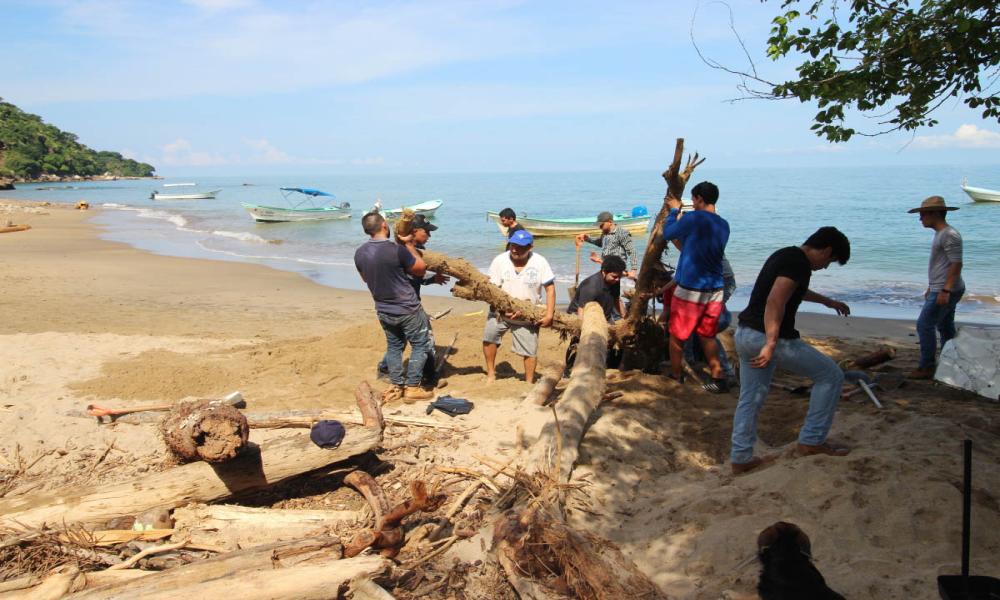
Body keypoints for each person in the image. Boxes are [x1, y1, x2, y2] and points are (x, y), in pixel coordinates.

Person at [729, 226, 852, 475]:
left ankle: (741, 457)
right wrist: (772, 342)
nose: (826, 267)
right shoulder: (798, 263)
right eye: (830, 261)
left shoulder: (785, 255)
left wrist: (827, 301)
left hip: (744, 334)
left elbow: (793, 290)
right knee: (830, 375)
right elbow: (776, 300)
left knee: (750, 398)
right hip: (765, 336)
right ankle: (812, 441)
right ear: (827, 250)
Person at [354, 211, 434, 403]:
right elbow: (421, 268)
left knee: (394, 346)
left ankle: (396, 385)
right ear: (383, 225)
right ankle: (413, 387)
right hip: (407, 308)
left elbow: (366, 279)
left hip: (383, 308)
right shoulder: (396, 250)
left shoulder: (360, 252)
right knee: (420, 345)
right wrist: (407, 243)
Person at [660, 181, 731, 393]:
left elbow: (667, 232)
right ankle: (718, 379)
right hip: (715, 289)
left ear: (699, 198)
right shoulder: (724, 225)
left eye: (693, 199)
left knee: (677, 335)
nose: (692, 203)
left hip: (692, 288)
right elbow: (694, 245)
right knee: (707, 334)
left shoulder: (693, 218)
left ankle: (677, 377)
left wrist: (674, 210)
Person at [376, 215, 450, 386]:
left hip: (394, 305)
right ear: (415, 232)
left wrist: (432, 280)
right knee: (425, 340)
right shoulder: (403, 251)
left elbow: (415, 277)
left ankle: (385, 369)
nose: (429, 236)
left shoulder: (407, 249)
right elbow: (413, 274)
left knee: (398, 342)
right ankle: (428, 377)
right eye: (427, 232)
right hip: (407, 306)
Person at [482, 229, 556, 383]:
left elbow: (550, 289)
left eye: (520, 247)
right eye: (513, 245)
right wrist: (503, 310)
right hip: (499, 313)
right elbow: (492, 291)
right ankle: (491, 374)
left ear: (530, 247)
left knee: (529, 350)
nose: (515, 249)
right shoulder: (500, 260)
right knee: (489, 339)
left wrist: (549, 315)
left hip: (527, 315)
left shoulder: (540, 262)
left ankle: (528, 382)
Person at [908, 196, 964, 380]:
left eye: (923, 214)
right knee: (945, 326)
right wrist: (932, 287)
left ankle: (927, 366)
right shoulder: (941, 234)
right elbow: (943, 265)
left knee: (924, 324)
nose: (920, 218)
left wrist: (945, 290)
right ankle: (952, 361)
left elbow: (956, 264)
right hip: (941, 287)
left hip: (947, 289)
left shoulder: (949, 235)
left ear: (935, 213)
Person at [565, 255, 626, 370]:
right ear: (604, 272)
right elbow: (581, 309)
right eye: (614, 277)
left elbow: (616, 299)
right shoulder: (591, 286)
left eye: (619, 276)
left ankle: (610, 368)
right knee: (580, 344)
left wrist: (624, 316)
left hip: (603, 315)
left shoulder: (615, 281)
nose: (617, 279)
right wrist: (581, 329)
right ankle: (569, 368)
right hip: (581, 314)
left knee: (613, 342)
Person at [575, 212, 638, 279]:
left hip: (616, 269)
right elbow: (600, 243)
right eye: (599, 226)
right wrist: (587, 238)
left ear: (610, 222)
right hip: (606, 266)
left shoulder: (622, 233)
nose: (600, 227)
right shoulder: (605, 232)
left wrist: (634, 270)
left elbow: (632, 251)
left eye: (602, 225)